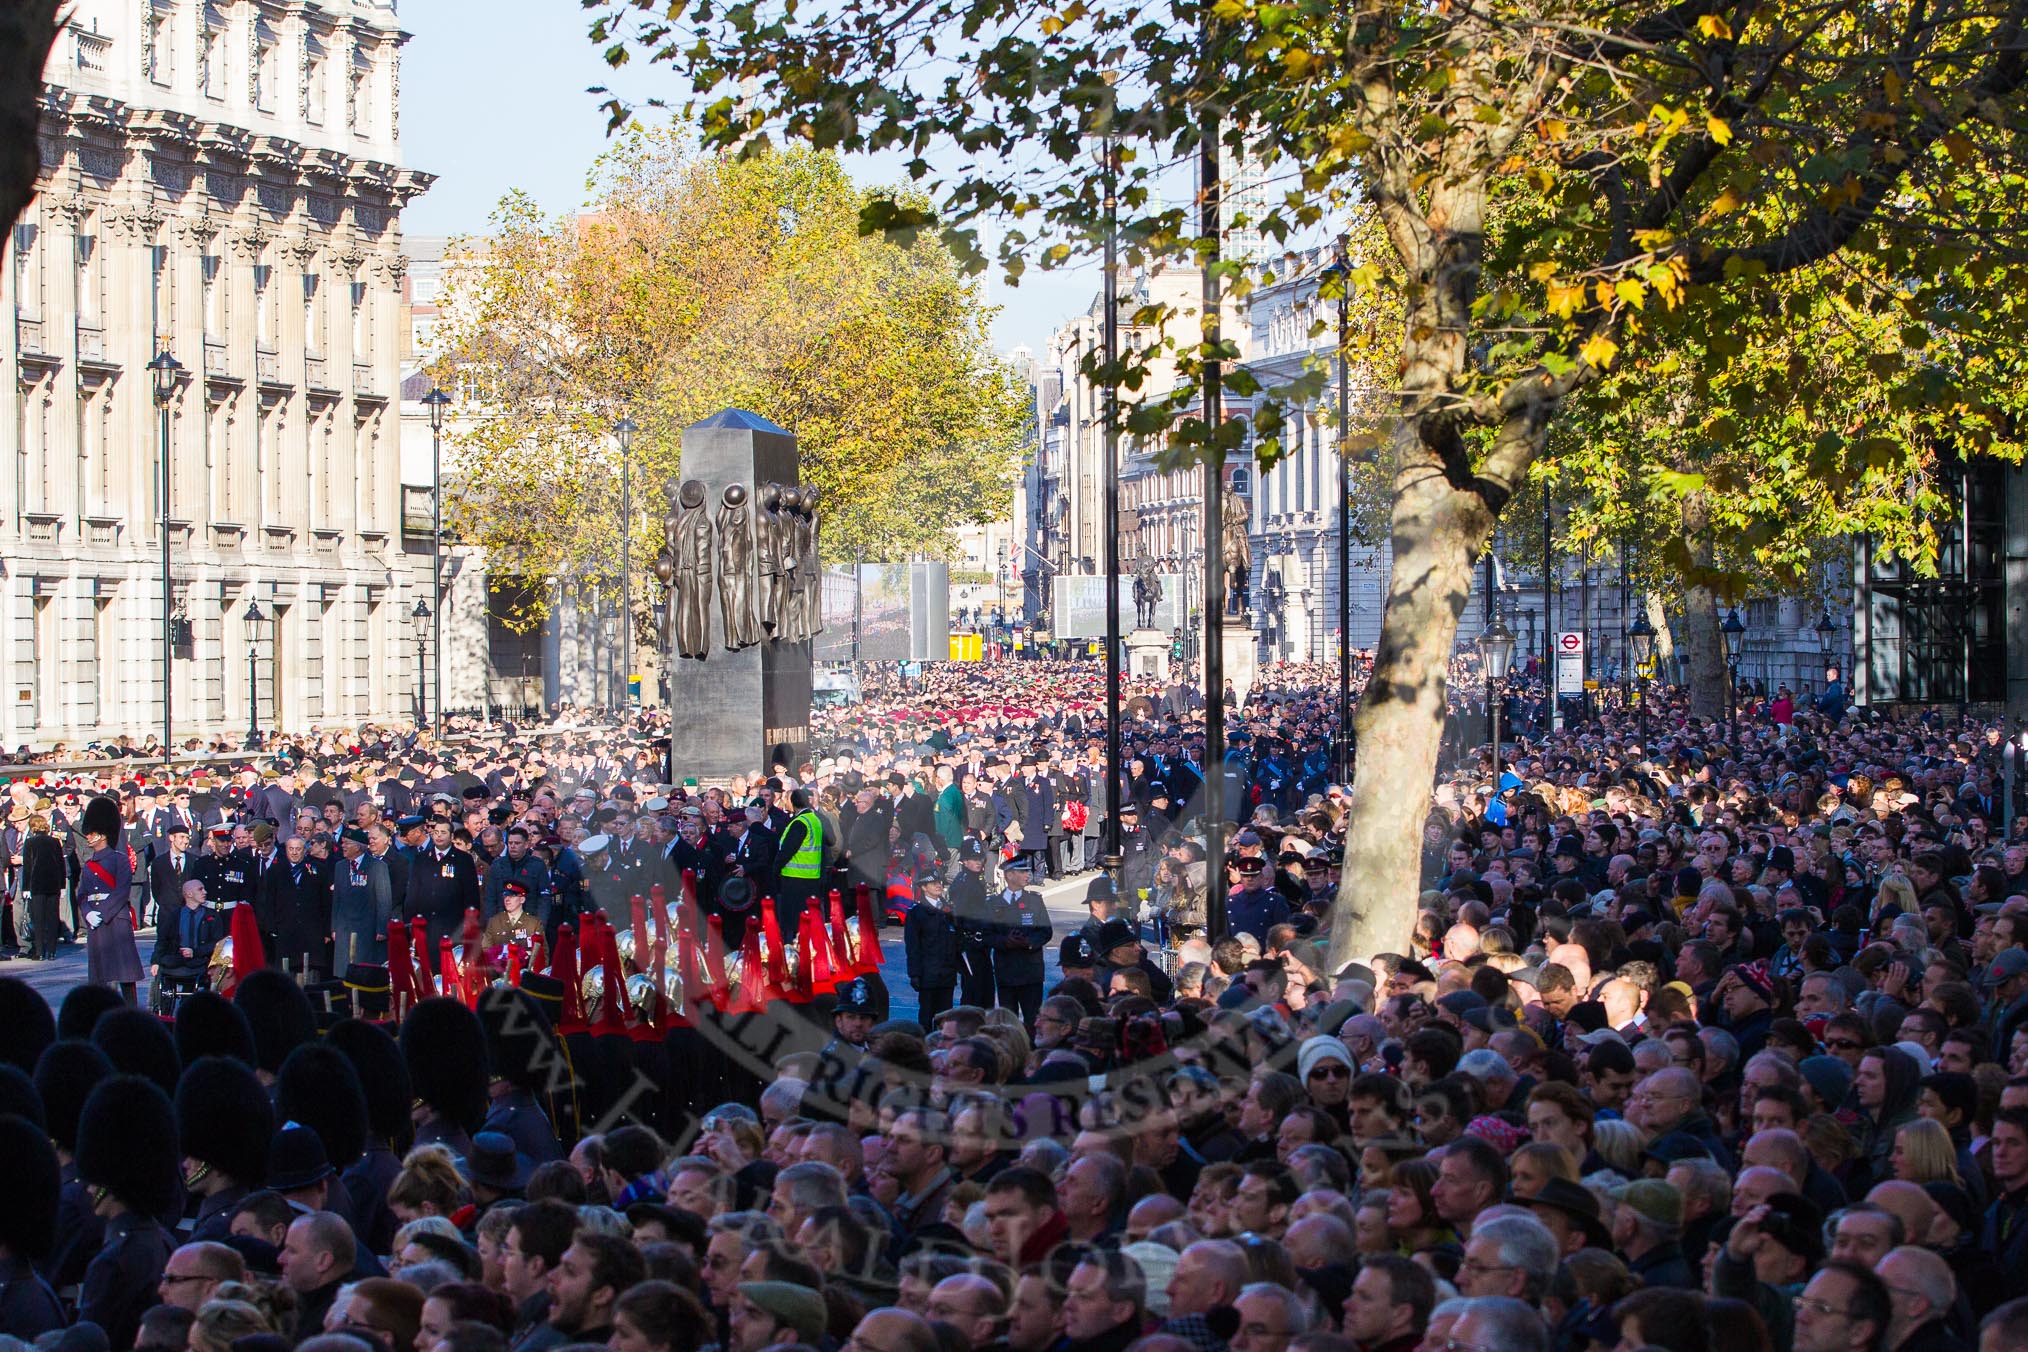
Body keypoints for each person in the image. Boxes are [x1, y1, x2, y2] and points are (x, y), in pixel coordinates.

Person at [77, 795, 143, 1001]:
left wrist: (102, 913)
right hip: (96, 922)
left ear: (102, 835)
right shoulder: (89, 864)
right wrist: (88, 913)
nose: (88, 837)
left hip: (116, 920)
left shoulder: (119, 859)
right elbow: (82, 894)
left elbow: (122, 891)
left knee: (124, 972)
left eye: (92, 833)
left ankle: (131, 1010)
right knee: (100, 974)